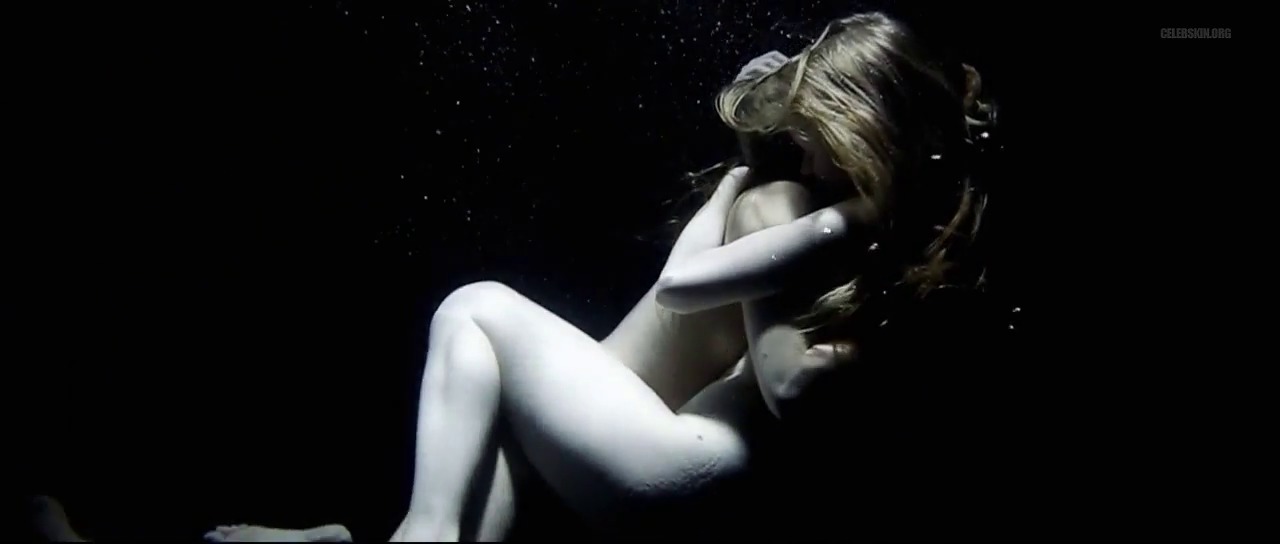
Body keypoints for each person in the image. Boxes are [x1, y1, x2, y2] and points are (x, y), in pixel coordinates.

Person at [37, 11, 1002, 542]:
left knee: (479, 306)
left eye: (812, 133)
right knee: (491, 457)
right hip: (681, 466)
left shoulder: (799, 218)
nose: (805, 153)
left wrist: (817, 208)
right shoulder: (877, 243)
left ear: (859, 127)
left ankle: (411, 536)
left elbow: (766, 367)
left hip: (692, 470)